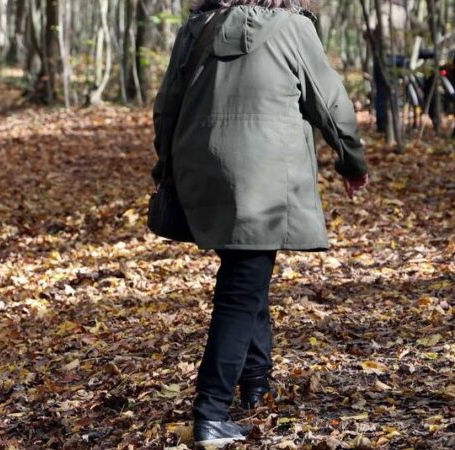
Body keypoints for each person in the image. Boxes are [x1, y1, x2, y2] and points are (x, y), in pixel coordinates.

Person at [152, 0, 369, 447]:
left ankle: (256, 388)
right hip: (265, 177)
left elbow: (167, 103)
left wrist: (166, 167)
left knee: (247, 275)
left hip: (202, 168)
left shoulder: (199, 26)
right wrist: (351, 160)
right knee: (241, 288)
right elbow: (329, 103)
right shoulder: (293, 27)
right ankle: (211, 413)